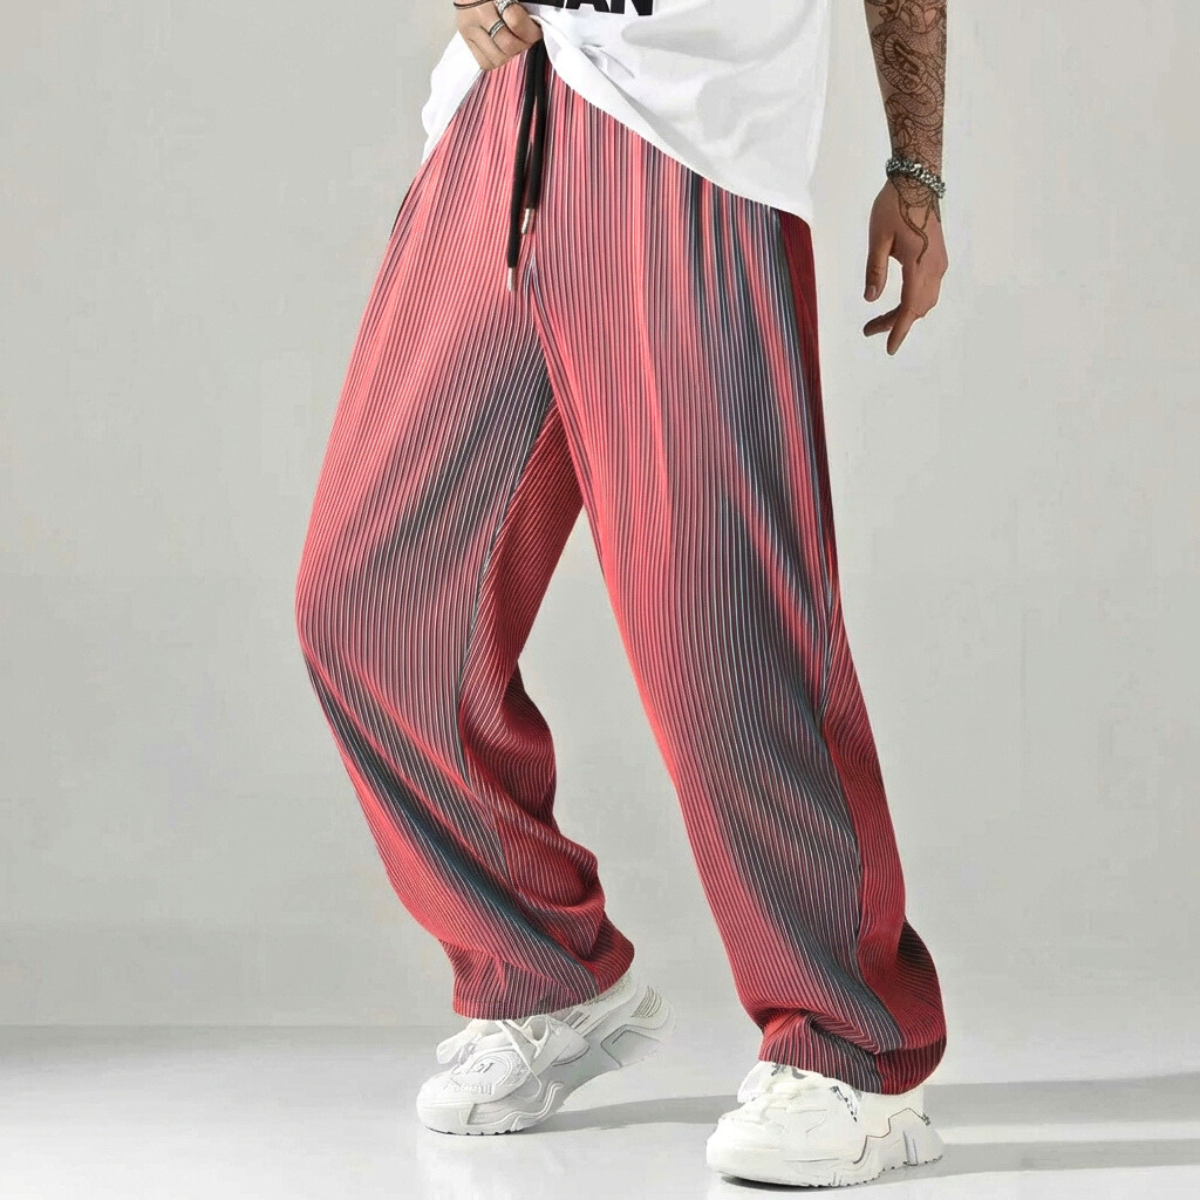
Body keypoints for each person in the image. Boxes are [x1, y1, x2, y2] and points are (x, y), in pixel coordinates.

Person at [294, 0, 949, 1187]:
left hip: (688, 138)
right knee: (370, 599)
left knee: (719, 632)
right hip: (502, 116)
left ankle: (854, 1052)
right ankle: (541, 974)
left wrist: (916, 170)